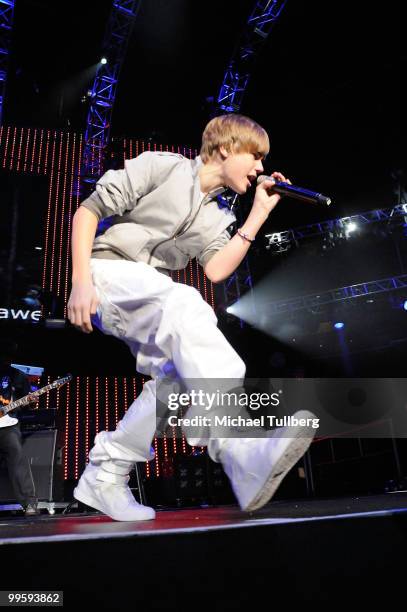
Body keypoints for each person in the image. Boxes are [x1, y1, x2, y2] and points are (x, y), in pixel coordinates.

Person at [68, 114, 316, 521]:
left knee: (177, 381)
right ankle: (236, 448)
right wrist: (81, 281)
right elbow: (87, 212)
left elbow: (216, 270)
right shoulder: (162, 166)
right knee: (186, 303)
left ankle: (106, 474)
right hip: (104, 273)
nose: (259, 168)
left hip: (146, 292)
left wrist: (258, 215)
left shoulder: (218, 215)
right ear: (224, 149)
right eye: (255, 156)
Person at [0, 341, 39, 516]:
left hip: (8, 425)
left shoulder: (18, 376)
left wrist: (30, 402)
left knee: (18, 458)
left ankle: (29, 503)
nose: (6, 360)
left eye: (9, 357)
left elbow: (25, 404)